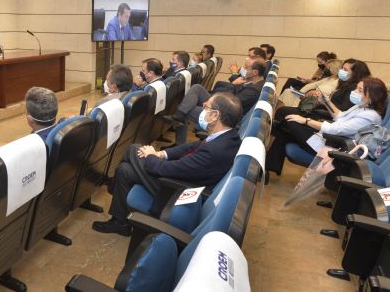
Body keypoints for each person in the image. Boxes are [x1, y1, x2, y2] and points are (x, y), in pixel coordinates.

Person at [92, 92, 243, 236]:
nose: (203, 108)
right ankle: (120, 223)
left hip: (177, 191)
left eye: (206, 107)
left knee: (133, 149)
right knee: (125, 171)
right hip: (184, 181)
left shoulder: (215, 150)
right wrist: (161, 154)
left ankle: (112, 185)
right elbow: (192, 146)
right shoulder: (228, 137)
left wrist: (151, 156)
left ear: (215, 115)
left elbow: (164, 168)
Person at [266, 77, 387, 174]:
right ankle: (269, 168)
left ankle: (268, 164)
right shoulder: (361, 107)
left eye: (360, 90)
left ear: (371, 96)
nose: (354, 92)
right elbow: (340, 117)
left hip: (333, 146)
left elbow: (336, 129)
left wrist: (306, 121)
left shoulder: (370, 116)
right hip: (327, 137)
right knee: (284, 128)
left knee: (289, 121)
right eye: (356, 88)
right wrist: (327, 102)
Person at [172, 57, 266, 126]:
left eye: (247, 68)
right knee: (197, 87)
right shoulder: (253, 82)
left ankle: (180, 115)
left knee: (185, 107)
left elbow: (232, 104)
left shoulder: (254, 89)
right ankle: (180, 115)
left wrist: (212, 102)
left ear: (255, 72)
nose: (243, 69)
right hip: (222, 104)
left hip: (224, 115)